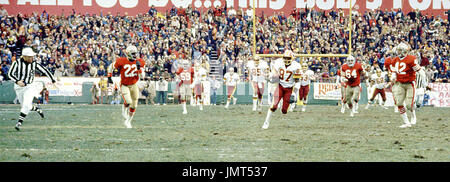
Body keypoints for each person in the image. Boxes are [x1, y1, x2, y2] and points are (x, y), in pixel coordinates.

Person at [7, 47, 56, 131]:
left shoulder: (34, 63)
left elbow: (44, 70)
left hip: (29, 86)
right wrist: (17, 81)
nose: (32, 58)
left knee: (26, 105)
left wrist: (53, 80)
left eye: (32, 56)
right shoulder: (17, 63)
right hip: (19, 87)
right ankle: (37, 108)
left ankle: (19, 123)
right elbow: (10, 74)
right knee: (25, 107)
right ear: (24, 56)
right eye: (30, 57)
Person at [107, 45, 145, 128]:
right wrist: (109, 76)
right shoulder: (121, 61)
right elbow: (111, 67)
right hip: (124, 85)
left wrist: (139, 68)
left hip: (134, 84)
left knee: (134, 105)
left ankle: (128, 121)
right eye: (133, 53)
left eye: (136, 53)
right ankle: (124, 108)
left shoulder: (139, 61)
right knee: (128, 101)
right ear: (128, 54)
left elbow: (142, 76)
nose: (135, 55)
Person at [262, 50, 301, 129]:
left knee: (284, 111)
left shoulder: (296, 66)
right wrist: (270, 78)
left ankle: (283, 104)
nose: (286, 60)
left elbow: (297, 81)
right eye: (285, 58)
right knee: (273, 106)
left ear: (292, 58)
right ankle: (266, 122)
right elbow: (274, 75)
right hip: (280, 86)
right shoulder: (278, 63)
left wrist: (294, 93)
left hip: (289, 89)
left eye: (288, 58)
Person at [391, 43, 426, 128]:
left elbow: (420, 71)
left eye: (399, 50)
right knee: (399, 103)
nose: (398, 51)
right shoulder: (395, 60)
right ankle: (406, 122)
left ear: (404, 51)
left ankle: (413, 115)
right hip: (400, 83)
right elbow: (394, 71)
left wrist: (424, 82)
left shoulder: (411, 59)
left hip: (410, 83)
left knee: (409, 105)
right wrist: (393, 76)